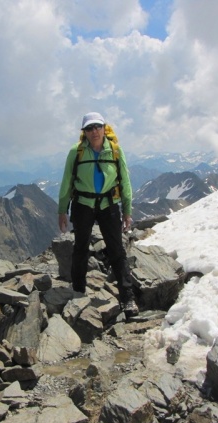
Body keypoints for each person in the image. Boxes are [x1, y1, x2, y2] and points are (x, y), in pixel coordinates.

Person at [58, 112, 139, 317]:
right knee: (81, 249)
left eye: (97, 127)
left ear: (104, 128)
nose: (94, 131)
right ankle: (78, 291)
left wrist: (127, 211)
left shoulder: (115, 151)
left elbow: (126, 183)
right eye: (89, 128)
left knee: (117, 250)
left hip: (108, 205)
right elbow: (67, 182)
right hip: (82, 205)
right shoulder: (76, 152)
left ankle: (128, 298)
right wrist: (62, 210)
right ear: (84, 132)